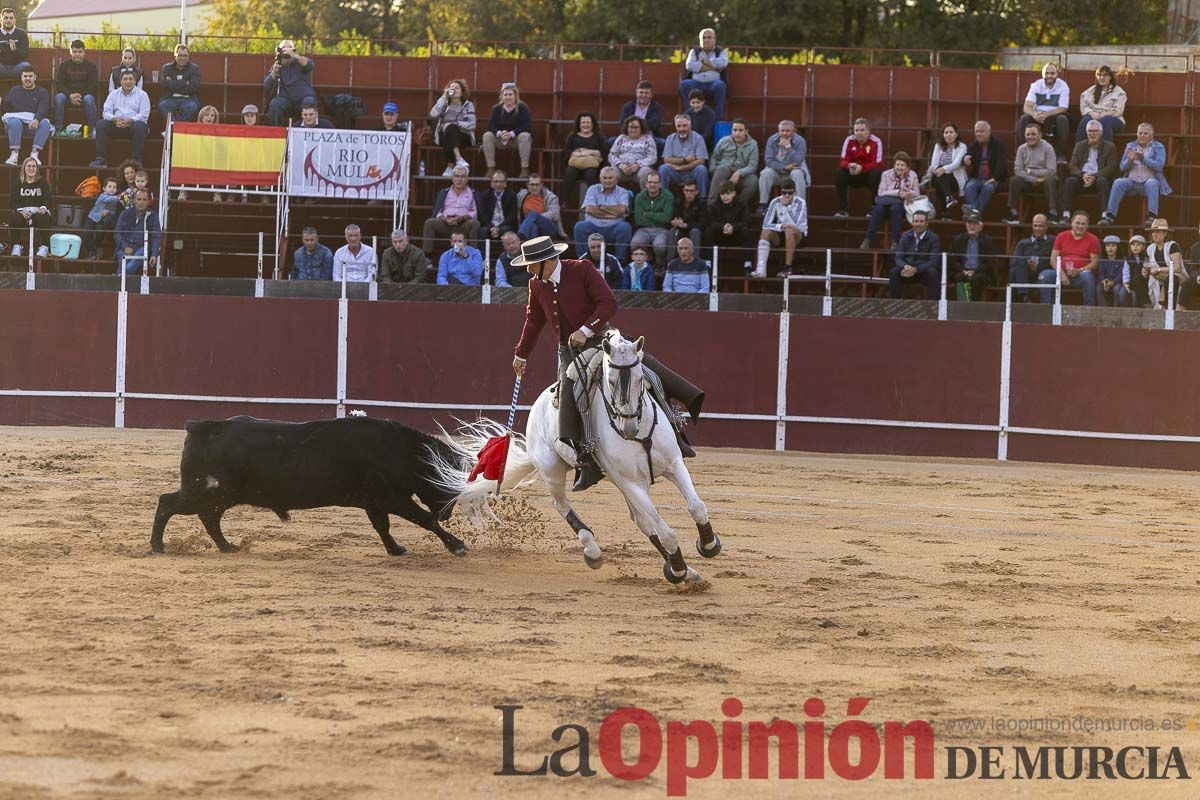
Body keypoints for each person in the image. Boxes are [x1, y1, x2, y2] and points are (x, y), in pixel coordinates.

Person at [510, 236, 705, 490]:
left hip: (604, 339)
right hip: (570, 352)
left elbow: (608, 303)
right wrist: (521, 354)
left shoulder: (582, 270)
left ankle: (676, 434)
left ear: (547, 261)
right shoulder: (537, 284)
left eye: (531, 264)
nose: (528, 270)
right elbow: (534, 320)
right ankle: (586, 460)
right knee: (570, 391)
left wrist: (585, 330)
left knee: (645, 371)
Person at [1100, 123, 1170, 228]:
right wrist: (1129, 161)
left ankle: (1152, 216)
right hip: (1131, 182)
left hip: (1147, 183)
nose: (1142, 135)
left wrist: (1143, 159)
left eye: (1145, 133)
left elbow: (1159, 166)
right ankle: (1109, 215)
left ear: (1151, 135)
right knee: (1119, 182)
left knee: (1152, 183)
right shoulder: (1130, 146)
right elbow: (1122, 167)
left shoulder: (1158, 147)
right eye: (1140, 133)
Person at [1061, 119, 1118, 225]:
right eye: (1090, 131)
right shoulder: (1079, 145)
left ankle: (1105, 215)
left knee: (1103, 181)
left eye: (1095, 131)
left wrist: (1094, 176)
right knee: (1070, 181)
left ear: (1101, 133)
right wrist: (1082, 174)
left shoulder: (1110, 146)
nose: (1092, 134)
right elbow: (1072, 166)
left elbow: (1111, 167)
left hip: (1099, 178)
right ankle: (1066, 215)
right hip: (1082, 177)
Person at [861, 152, 919, 250]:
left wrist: (907, 193)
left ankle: (894, 241)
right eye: (897, 165)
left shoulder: (913, 175)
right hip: (885, 204)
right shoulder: (886, 174)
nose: (899, 167)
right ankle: (868, 239)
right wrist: (898, 193)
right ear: (894, 165)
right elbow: (881, 193)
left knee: (896, 208)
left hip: (901, 206)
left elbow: (917, 193)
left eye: (902, 165)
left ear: (907, 167)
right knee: (878, 209)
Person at [1003, 123, 1059, 225]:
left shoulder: (1048, 147)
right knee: (1014, 180)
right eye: (1028, 134)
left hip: (1045, 183)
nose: (1030, 137)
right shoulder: (1021, 149)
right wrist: (1034, 179)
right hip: (1028, 182)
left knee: (1050, 179)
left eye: (1033, 134)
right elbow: (1018, 170)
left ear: (1040, 135)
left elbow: (1051, 171)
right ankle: (1013, 214)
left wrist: (1030, 171)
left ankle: (1053, 213)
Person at [90, 71, 149, 168]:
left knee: (140, 126)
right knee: (101, 124)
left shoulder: (142, 95)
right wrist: (114, 119)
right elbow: (106, 112)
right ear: (120, 81)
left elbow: (144, 114)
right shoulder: (113, 94)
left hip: (133, 127)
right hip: (116, 125)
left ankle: (136, 161)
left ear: (135, 81)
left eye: (131, 79)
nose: (128, 82)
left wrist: (130, 120)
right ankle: (101, 159)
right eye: (125, 79)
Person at [573, 167, 632, 260]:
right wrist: (612, 214)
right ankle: (583, 261)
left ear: (616, 179)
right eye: (604, 178)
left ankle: (619, 261)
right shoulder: (592, 189)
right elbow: (589, 209)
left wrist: (601, 207)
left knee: (625, 227)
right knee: (580, 227)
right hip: (593, 226)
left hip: (613, 228)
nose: (607, 181)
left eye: (610, 178)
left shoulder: (623, 192)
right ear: (600, 179)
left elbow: (621, 210)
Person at [1044, 211, 1100, 305]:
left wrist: (1079, 270)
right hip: (1061, 273)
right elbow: (1053, 259)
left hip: (1080, 275)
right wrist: (1062, 275)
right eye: (1077, 223)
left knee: (1088, 277)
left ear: (1087, 226)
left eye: (1083, 224)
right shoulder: (1061, 236)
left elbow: (1095, 263)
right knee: (1045, 275)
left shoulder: (1093, 240)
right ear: (1071, 223)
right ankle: (1046, 310)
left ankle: (1089, 310)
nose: (1080, 226)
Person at [1018, 62, 1071, 161]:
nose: (1049, 76)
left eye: (1052, 73)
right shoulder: (1036, 85)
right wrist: (1034, 114)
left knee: (1063, 119)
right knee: (1024, 119)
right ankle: (1023, 153)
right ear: (1042, 74)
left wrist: (1046, 114)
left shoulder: (1063, 86)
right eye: (1046, 73)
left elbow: (1063, 108)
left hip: (1054, 115)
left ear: (1057, 74)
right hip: (1037, 115)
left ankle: (1060, 155)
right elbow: (1026, 106)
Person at [421, 165, 481, 252]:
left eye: (463, 176)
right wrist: (444, 219)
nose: (459, 179)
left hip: (463, 225)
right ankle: (427, 256)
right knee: (429, 222)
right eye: (457, 176)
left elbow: (475, 212)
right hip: (445, 224)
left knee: (475, 223)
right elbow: (437, 211)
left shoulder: (473, 193)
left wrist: (462, 218)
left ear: (467, 179)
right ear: (452, 178)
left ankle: (473, 255)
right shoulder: (444, 192)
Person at [755, 178, 807, 278]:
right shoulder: (775, 202)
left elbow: (794, 224)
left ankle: (787, 268)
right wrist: (780, 226)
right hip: (781, 232)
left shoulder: (801, 202)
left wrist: (787, 206)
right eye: (784, 192)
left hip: (799, 234)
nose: (787, 195)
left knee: (789, 230)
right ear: (781, 191)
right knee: (765, 232)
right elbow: (765, 224)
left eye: (790, 193)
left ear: (794, 192)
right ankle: (760, 269)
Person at [834, 118, 884, 216]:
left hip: (868, 175)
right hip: (853, 173)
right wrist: (850, 165)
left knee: (877, 173)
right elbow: (842, 161)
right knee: (839, 172)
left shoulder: (876, 141)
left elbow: (878, 163)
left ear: (868, 131)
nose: (859, 133)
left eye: (862, 130)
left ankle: (874, 209)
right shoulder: (849, 140)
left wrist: (862, 167)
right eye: (856, 130)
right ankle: (842, 210)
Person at [3, 67, 51, 165]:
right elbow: (6, 108)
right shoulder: (14, 90)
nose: (27, 78)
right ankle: (14, 155)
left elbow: (44, 108)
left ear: (35, 77)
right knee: (14, 121)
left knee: (45, 123)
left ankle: (34, 155)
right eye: (25, 76)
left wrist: (37, 119)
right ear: (21, 77)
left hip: (33, 126)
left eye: (30, 76)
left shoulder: (42, 92)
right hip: (15, 127)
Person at [481, 83, 531, 177]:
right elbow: (490, 125)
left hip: (516, 140)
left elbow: (526, 126)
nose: (508, 97)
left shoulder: (523, 107)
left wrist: (512, 133)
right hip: (501, 139)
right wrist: (499, 133)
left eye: (510, 95)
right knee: (487, 135)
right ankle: (491, 168)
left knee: (525, 136)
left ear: (515, 96)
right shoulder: (496, 109)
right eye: (505, 95)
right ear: (502, 96)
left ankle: (524, 169)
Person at [759, 119, 809, 213]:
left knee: (797, 173)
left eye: (788, 131)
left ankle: (801, 206)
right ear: (778, 131)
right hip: (778, 172)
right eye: (782, 131)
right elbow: (768, 161)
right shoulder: (772, 140)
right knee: (766, 173)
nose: (784, 133)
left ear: (794, 131)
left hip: (793, 173)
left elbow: (798, 161)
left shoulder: (800, 141)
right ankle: (762, 205)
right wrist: (784, 167)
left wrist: (788, 147)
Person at [889, 209, 940, 299]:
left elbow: (934, 261)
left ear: (927, 223)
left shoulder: (934, 238)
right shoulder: (905, 235)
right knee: (894, 272)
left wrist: (916, 269)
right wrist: (905, 266)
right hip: (907, 271)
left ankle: (933, 305)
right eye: (916, 221)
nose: (918, 224)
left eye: (921, 221)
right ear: (912, 222)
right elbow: (898, 257)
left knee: (933, 272)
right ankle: (895, 303)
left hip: (923, 272)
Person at [264, 39, 316, 127]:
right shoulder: (277, 65)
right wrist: (273, 73)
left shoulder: (300, 61)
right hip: (285, 100)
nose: (286, 51)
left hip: (303, 99)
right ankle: (276, 134)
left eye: (289, 48)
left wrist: (295, 56)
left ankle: (308, 133)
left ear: (294, 50)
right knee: (275, 104)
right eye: (283, 48)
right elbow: (267, 87)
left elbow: (310, 66)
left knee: (309, 102)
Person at [948, 211, 997, 301]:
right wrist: (963, 271)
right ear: (966, 225)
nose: (972, 226)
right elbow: (953, 260)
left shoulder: (988, 241)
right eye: (969, 223)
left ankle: (974, 307)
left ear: (980, 226)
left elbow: (989, 262)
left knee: (975, 279)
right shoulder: (958, 239)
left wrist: (974, 271)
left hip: (981, 273)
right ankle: (962, 305)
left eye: (974, 223)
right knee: (959, 277)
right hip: (962, 271)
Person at [679, 28, 727, 119]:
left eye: (709, 37)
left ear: (714, 39)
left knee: (720, 85)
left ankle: (718, 118)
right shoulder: (694, 51)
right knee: (684, 84)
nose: (706, 40)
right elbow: (689, 66)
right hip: (696, 83)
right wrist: (714, 67)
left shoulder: (721, 51)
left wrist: (703, 61)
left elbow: (723, 63)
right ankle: (689, 116)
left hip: (713, 84)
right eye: (703, 38)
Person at [429, 78, 475, 175]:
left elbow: (472, 124)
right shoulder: (445, 104)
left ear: (462, 92)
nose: (454, 89)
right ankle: (459, 159)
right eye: (451, 87)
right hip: (444, 135)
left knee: (452, 129)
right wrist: (444, 97)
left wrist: (455, 124)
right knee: (450, 132)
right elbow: (433, 114)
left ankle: (450, 166)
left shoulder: (468, 105)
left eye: (457, 88)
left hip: (463, 135)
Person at [707, 118, 758, 206]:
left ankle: (737, 207)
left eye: (740, 130)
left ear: (746, 131)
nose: (737, 133)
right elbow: (715, 157)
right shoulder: (724, 141)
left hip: (742, 171)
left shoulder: (753, 144)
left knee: (753, 181)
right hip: (724, 169)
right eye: (734, 130)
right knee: (721, 169)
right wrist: (712, 169)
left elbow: (752, 166)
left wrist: (739, 173)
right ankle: (711, 205)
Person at [53, 39, 99, 135]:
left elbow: (93, 86)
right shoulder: (64, 66)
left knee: (89, 99)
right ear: (70, 52)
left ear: (84, 52)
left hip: (84, 96)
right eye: (74, 52)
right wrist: (70, 95)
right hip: (67, 97)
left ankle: (93, 130)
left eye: (79, 52)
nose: (77, 54)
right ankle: (58, 129)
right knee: (58, 98)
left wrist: (80, 96)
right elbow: (59, 85)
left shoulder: (91, 66)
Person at [561, 112, 607, 207]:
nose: (585, 125)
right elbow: (566, 151)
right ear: (579, 124)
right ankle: (564, 201)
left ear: (592, 124)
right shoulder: (573, 136)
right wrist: (577, 153)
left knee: (591, 174)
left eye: (588, 122)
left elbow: (605, 151)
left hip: (592, 165)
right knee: (569, 172)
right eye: (583, 122)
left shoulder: (598, 136)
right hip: (576, 164)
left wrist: (591, 152)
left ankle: (592, 202)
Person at [8, 155, 50, 258]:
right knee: (14, 217)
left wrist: (43, 207)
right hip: (23, 212)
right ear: (24, 168)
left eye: (34, 166)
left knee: (45, 217)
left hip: (38, 212)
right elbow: (13, 200)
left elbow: (48, 198)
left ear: (37, 168)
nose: (31, 169)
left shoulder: (42, 182)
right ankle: (17, 246)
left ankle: (44, 247)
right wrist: (21, 210)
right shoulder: (18, 182)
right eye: (29, 166)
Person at [962, 120, 1007, 215]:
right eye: (977, 131)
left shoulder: (999, 145)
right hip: (977, 178)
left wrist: (994, 178)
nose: (979, 134)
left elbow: (1001, 164)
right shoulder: (973, 145)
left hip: (994, 178)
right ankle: (975, 213)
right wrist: (965, 159)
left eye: (981, 131)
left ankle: (973, 211)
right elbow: (967, 156)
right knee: (969, 187)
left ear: (989, 131)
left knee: (988, 188)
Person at [630, 172, 674, 267]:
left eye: (655, 182)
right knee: (635, 243)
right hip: (643, 229)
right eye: (650, 182)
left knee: (660, 245)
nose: (652, 185)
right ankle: (647, 263)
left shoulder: (668, 196)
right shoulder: (640, 197)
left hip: (662, 229)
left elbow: (666, 218)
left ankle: (660, 264)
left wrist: (647, 214)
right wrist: (658, 216)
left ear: (660, 184)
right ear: (646, 184)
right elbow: (639, 220)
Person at [921, 122, 967, 214]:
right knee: (940, 176)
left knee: (940, 180)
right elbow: (934, 164)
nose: (948, 135)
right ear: (943, 135)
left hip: (954, 180)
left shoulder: (962, 146)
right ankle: (948, 198)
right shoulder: (938, 146)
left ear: (956, 134)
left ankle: (944, 212)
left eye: (951, 132)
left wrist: (943, 169)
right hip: (938, 175)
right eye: (946, 132)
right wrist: (940, 170)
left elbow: (956, 164)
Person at [1007, 214, 1054, 302]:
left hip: (1044, 273)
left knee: (1014, 272)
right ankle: (1024, 296)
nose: (1037, 228)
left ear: (1046, 227)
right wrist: (1027, 264)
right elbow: (1013, 262)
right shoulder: (1023, 243)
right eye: (1035, 226)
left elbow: (1054, 260)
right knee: (1017, 264)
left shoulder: (1052, 241)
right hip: (1025, 273)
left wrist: (1037, 267)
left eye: (1040, 226)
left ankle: (1022, 296)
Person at [659, 114, 709, 196]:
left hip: (692, 172)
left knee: (701, 169)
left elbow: (701, 161)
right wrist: (684, 160)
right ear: (675, 127)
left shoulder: (698, 138)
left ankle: (702, 198)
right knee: (663, 168)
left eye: (684, 126)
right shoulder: (670, 138)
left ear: (690, 125)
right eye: (679, 126)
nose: (682, 129)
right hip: (675, 173)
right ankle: (663, 197)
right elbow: (666, 159)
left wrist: (680, 166)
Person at [114, 188, 160, 275]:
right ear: (134, 200)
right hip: (124, 248)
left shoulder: (153, 216)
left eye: (144, 200)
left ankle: (120, 276)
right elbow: (117, 233)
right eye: (138, 199)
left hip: (142, 248)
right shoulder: (125, 213)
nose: (141, 202)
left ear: (148, 202)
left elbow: (156, 236)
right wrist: (125, 247)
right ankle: (123, 278)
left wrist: (154, 254)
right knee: (122, 256)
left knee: (126, 268)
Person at [1076, 65, 1126, 142]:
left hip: (1114, 120)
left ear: (1110, 77)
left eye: (1105, 75)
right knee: (1085, 121)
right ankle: (1079, 152)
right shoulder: (1090, 91)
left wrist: (1102, 115)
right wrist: (1091, 113)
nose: (1102, 77)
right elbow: (1084, 106)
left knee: (1105, 121)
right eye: (1099, 75)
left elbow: (1118, 111)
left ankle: (1106, 153)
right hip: (1094, 117)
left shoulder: (1119, 92)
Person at [1143, 217, 1185, 309]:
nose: (1154, 234)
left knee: (1170, 279)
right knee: (1138, 279)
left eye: (1157, 232)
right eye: (1153, 232)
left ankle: (1165, 307)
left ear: (1165, 233)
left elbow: (1177, 268)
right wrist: (1145, 271)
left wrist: (1158, 269)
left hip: (1175, 277)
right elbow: (1148, 265)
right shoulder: (1150, 248)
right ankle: (1145, 308)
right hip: (1157, 277)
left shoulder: (1172, 246)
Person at [609, 116, 656, 191]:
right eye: (631, 127)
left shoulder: (648, 139)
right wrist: (620, 165)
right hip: (622, 169)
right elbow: (612, 155)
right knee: (610, 172)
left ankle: (645, 199)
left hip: (640, 169)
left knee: (646, 173)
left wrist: (638, 165)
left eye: (636, 127)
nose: (633, 129)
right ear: (627, 128)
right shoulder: (621, 138)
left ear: (641, 128)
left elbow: (652, 157)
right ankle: (611, 200)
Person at [705, 181, 753, 255]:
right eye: (722, 194)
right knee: (708, 231)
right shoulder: (713, 206)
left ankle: (748, 262)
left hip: (736, 235)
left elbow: (747, 221)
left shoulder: (742, 205)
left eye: (727, 193)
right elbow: (710, 222)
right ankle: (707, 261)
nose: (724, 196)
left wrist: (733, 227)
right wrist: (723, 227)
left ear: (733, 193)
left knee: (745, 231)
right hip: (720, 235)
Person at [158, 43, 200, 123]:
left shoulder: (194, 69)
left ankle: (175, 129)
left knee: (193, 107)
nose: (182, 58)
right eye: (180, 55)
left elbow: (194, 87)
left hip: (188, 99)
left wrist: (172, 84)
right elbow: (164, 85)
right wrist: (184, 82)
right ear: (175, 55)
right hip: (170, 98)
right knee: (163, 106)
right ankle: (175, 129)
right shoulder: (167, 68)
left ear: (188, 56)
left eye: (185, 55)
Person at [82, 175, 122, 260]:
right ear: (104, 188)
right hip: (92, 217)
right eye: (110, 187)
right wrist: (121, 197)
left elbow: (113, 211)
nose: (112, 189)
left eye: (114, 187)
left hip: (100, 220)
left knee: (100, 232)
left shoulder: (114, 199)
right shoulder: (103, 196)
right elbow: (109, 199)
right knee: (86, 232)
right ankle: (90, 250)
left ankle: (96, 248)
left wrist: (108, 211)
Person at [476, 168, 519, 245]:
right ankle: (482, 255)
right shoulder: (485, 195)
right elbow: (483, 215)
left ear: (505, 183)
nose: (498, 184)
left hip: (505, 224)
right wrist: (492, 228)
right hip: (489, 225)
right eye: (495, 181)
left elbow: (511, 216)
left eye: (501, 181)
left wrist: (498, 228)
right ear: (491, 183)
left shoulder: (512, 195)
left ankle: (506, 255)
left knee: (505, 230)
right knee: (483, 231)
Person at [516, 173, 565, 240]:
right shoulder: (521, 195)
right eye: (532, 184)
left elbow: (555, 214)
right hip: (530, 227)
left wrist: (537, 217)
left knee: (533, 214)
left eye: (537, 184)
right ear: (527, 185)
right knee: (534, 226)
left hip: (549, 227)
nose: (534, 187)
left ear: (542, 185)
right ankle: (534, 249)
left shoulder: (551, 197)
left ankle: (520, 235)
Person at [617, 80, 665, 146]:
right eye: (641, 92)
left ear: (651, 95)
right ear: (636, 93)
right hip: (629, 137)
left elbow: (654, 124)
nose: (644, 95)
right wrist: (642, 125)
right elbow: (623, 123)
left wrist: (634, 125)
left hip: (649, 137)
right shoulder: (627, 106)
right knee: (611, 141)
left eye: (647, 93)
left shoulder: (657, 107)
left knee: (663, 143)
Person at [671, 178, 706, 251]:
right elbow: (674, 218)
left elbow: (702, 224)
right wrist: (674, 222)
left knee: (695, 231)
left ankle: (695, 259)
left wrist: (686, 225)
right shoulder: (678, 202)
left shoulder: (702, 203)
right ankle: (670, 260)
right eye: (686, 190)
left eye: (691, 191)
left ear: (696, 192)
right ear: (683, 191)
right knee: (673, 231)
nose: (689, 193)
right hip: (681, 230)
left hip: (696, 231)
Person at [1097, 235, 1132, 307]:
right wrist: (1104, 281)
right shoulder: (1102, 260)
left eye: (1113, 245)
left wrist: (1113, 282)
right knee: (1098, 289)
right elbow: (1101, 273)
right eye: (1108, 246)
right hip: (1105, 281)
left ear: (1117, 247)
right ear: (1105, 248)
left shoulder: (1121, 260)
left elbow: (1120, 275)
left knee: (1117, 289)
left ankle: (1115, 307)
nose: (1110, 248)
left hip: (1117, 281)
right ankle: (1103, 307)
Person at [0, 8, 30, 81]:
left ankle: (24, 92)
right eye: (5, 18)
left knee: (26, 66)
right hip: (1, 67)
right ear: (1, 20)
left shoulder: (22, 34)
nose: (8, 20)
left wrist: (15, 50)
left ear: (14, 20)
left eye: (11, 18)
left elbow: (25, 55)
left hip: (17, 67)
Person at [1127, 233, 1150, 307]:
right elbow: (1126, 273)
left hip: (1144, 281)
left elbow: (1147, 271)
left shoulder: (1146, 258)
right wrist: (1126, 284)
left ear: (1143, 247)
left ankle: (1145, 305)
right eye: (1133, 245)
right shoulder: (1128, 259)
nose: (1135, 247)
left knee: (1139, 281)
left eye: (1138, 244)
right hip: (1131, 283)